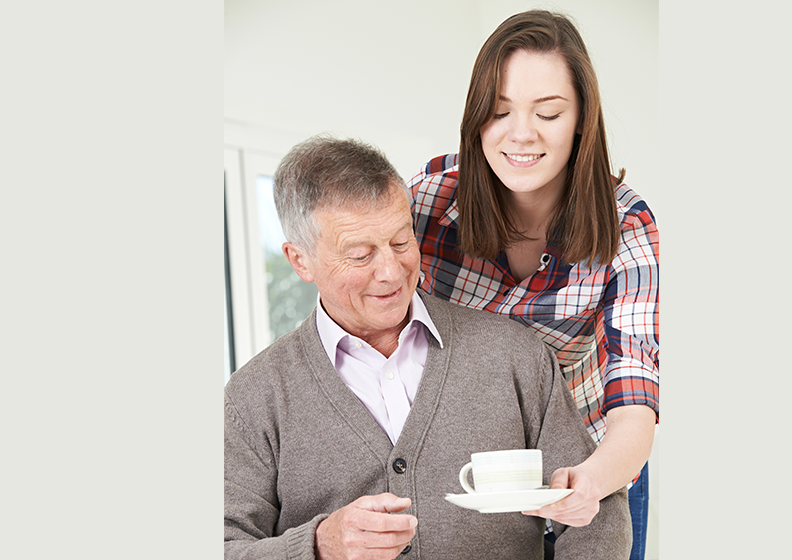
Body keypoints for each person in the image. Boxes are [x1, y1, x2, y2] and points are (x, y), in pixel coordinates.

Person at [224, 135, 631, 559]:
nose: (391, 272)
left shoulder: (514, 356)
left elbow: (596, 507)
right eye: (361, 255)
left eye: (401, 242)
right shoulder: (253, 398)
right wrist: (316, 546)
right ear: (299, 260)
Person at [409, 10, 659, 559]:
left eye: (548, 112)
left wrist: (591, 482)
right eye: (499, 112)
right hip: (474, 473)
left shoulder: (626, 224)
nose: (521, 135)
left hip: (592, 465)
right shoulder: (428, 202)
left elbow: (635, 389)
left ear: (581, 121)